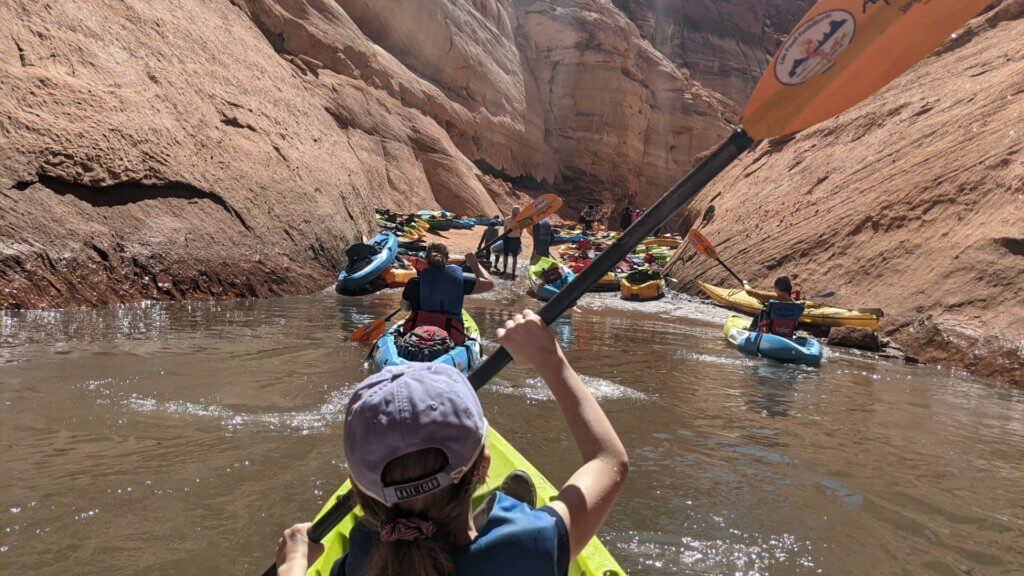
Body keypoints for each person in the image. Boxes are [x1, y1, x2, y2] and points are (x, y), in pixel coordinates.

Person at [274, 310, 629, 576]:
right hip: (510, 544)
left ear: (359, 490)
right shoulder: (530, 543)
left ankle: (498, 508)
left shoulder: (361, 558)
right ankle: (500, 510)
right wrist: (552, 360)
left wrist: (293, 563)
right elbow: (609, 461)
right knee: (512, 520)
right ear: (484, 464)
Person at [400, 242, 493, 344]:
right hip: (451, 333)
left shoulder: (414, 282)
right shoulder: (460, 281)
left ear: (426, 259)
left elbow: (405, 308)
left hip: (416, 331)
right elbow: (489, 284)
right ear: (447, 258)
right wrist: (474, 263)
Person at [501, 206, 523, 277]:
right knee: (514, 256)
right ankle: (513, 273)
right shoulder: (520, 220)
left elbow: (505, 229)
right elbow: (521, 230)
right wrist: (518, 236)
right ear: (518, 213)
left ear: (512, 211)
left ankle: (504, 270)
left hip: (507, 238)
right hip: (515, 239)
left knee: (506, 255)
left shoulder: (507, 219)